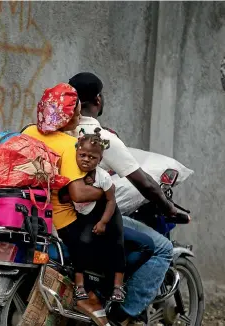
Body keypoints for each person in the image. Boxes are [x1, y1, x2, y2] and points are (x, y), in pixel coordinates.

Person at [22, 83, 155, 324]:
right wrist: (107, 191)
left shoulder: (28, 131)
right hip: (65, 222)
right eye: (75, 112)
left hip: (32, 213)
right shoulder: (67, 145)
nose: (79, 116)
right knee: (145, 245)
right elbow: (79, 194)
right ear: (66, 115)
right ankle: (99, 294)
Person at [69, 72, 182, 325]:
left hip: (57, 213)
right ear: (98, 99)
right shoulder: (102, 137)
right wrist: (170, 208)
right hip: (87, 215)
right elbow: (144, 183)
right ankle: (122, 316)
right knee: (162, 249)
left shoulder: (58, 129)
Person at [64, 128, 126, 303]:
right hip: (86, 214)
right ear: (76, 152)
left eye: (92, 158)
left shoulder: (103, 177)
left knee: (117, 245)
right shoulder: (72, 172)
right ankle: (80, 285)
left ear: (100, 160)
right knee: (81, 244)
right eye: (83, 155)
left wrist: (104, 222)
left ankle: (118, 287)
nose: (86, 160)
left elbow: (111, 201)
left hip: (107, 213)